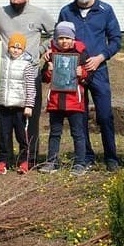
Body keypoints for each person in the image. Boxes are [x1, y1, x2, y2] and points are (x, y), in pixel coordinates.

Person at [57, 0, 122, 172]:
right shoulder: (67, 11)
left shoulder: (105, 10)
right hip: (74, 72)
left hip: (98, 70)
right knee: (80, 115)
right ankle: (86, 156)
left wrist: (101, 57)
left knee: (104, 115)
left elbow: (116, 40)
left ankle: (111, 157)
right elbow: (59, 39)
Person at [0, 0, 55, 168]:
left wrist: (41, 50)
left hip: (29, 73)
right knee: (4, 120)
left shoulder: (39, 13)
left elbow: (55, 32)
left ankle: (29, 158)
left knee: (29, 118)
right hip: (6, 74)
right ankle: (5, 158)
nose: (15, 0)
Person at [39, 21, 91, 176]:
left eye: (67, 38)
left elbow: (89, 77)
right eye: (60, 38)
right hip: (56, 101)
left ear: (73, 39)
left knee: (78, 133)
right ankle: (52, 161)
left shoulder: (81, 53)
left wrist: (83, 74)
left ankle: (80, 163)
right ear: (56, 39)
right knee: (55, 133)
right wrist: (49, 71)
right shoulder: (51, 55)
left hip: (75, 101)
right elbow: (45, 79)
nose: (64, 41)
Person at [0, 33, 36, 174]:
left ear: (23, 49)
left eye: (19, 48)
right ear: (8, 47)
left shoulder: (27, 65)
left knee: (21, 135)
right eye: (13, 47)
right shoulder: (1, 62)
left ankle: (24, 160)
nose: (15, 50)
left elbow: (31, 86)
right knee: (3, 135)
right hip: (3, 105)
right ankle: (3, 161)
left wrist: (29, 105)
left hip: (20, 107)